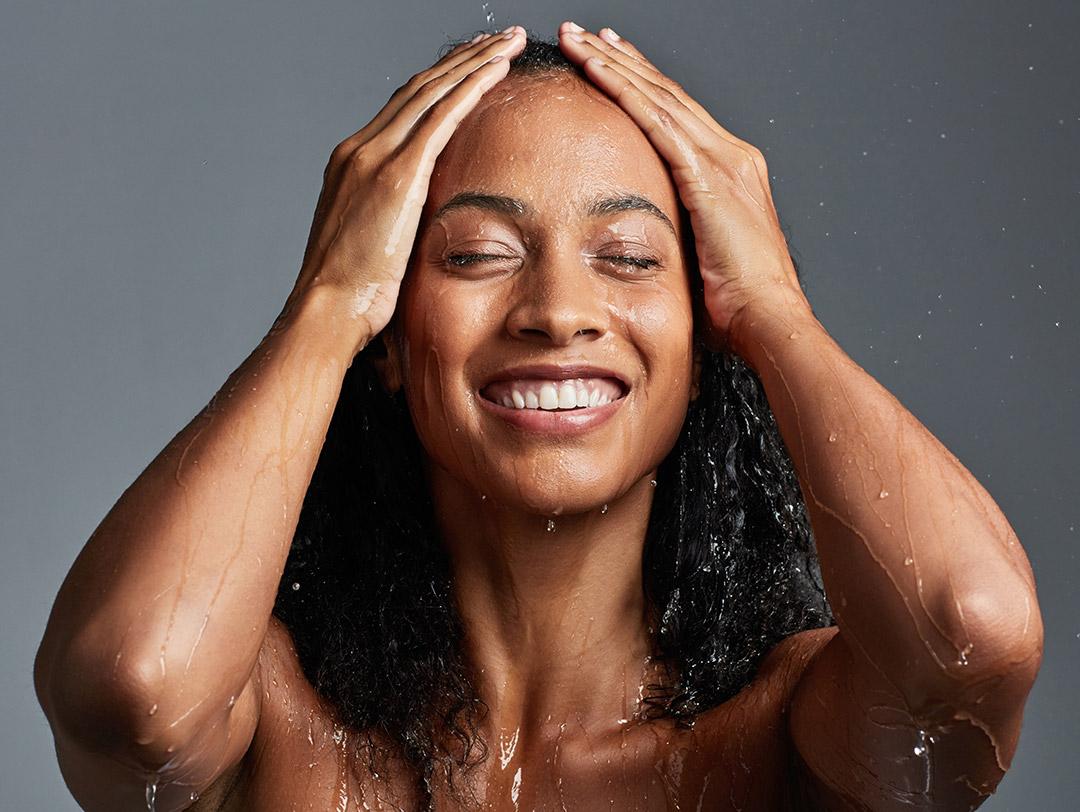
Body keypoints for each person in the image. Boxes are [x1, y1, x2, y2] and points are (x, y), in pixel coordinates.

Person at [34, 22, 1043, 812]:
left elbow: (970, 634)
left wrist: (780, 313)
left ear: (707, 349)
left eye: (632, 257)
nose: (559, 310)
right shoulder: (289, 742)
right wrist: (327, 304)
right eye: (476, 253)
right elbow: (134, 681)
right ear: (391, 332)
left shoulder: (774, 747)